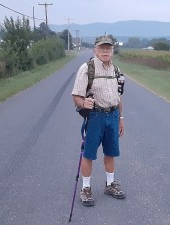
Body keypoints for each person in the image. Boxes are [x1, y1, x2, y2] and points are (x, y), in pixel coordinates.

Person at [71, 35, 125, 206]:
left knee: (110, 152)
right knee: (89, 153)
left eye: (108, 48)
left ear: (112, 51)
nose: (105, 51)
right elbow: (76, 96)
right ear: (95, 50)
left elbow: (118, 97)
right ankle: (86, 188)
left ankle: (110, 184)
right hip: (95, 117)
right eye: (102, 48)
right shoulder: (87, 68)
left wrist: (120, 118)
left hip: (113, 116)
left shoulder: (115, 70)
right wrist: (83, 102)